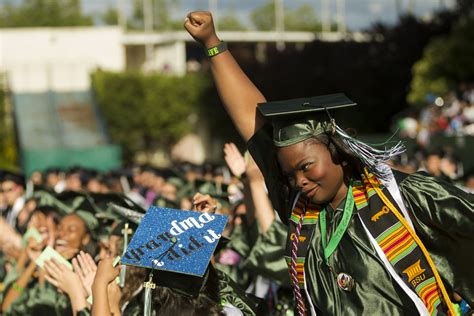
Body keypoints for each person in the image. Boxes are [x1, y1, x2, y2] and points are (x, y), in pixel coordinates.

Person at [184, 11, 474, 315]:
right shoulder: (301, 210)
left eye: (306, 166)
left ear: (338, 152)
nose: (299, 181)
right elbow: (254, 125)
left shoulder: (403, 197)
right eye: (289, 173)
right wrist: (211, 44)